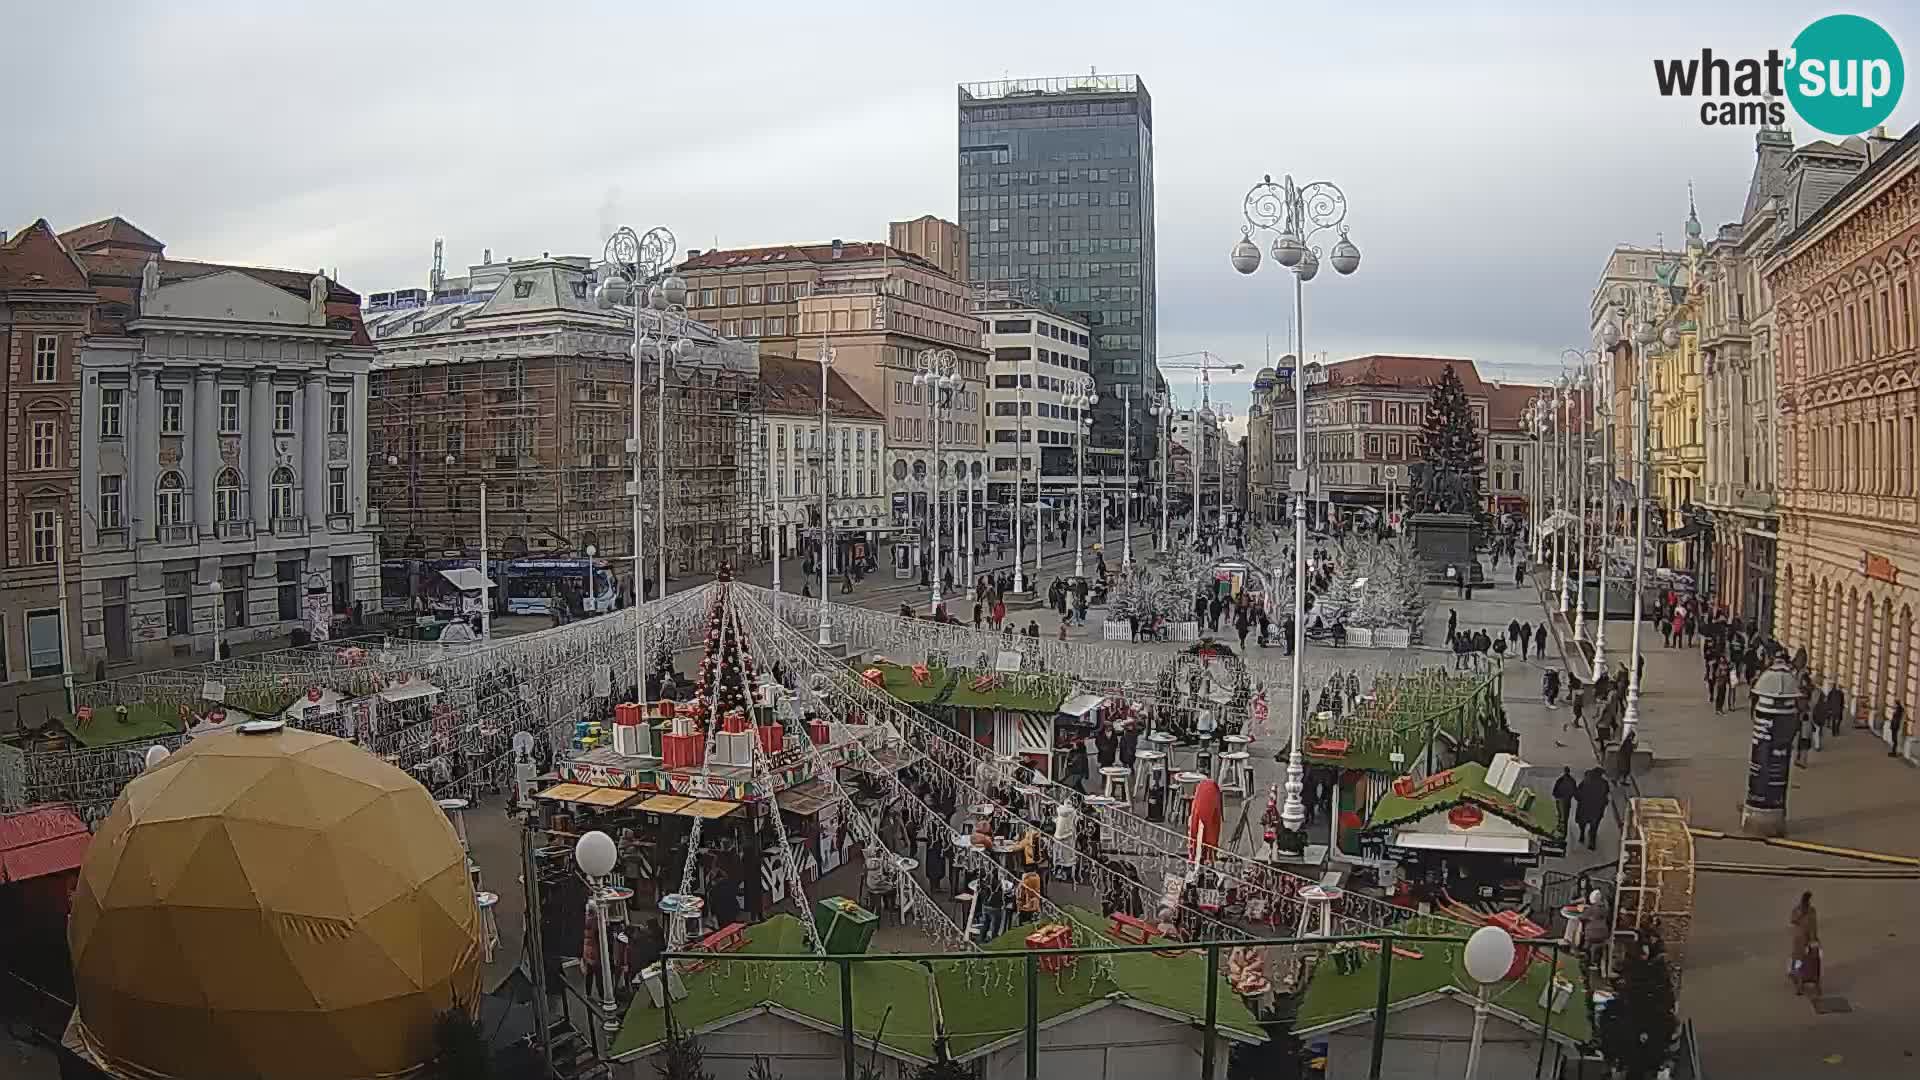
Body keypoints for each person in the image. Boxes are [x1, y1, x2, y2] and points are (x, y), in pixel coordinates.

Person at [1789, 891, 1821, 996]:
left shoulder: (1812, 911)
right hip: (1801, 941)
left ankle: (1816, 985)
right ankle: (1799, 985)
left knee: (1815, 962)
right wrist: (1801, 912)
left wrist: (1815, 939)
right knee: (1800, 962)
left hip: (1811, 940)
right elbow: (1793, 920)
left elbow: (1814, 925)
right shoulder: (1798, 910)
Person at [1573, 767, 1609, 850]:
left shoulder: (1585, 782)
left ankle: (1582, 834)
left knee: (1582, 823)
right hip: (1597, 809)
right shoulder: (1604, 783)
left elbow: (1577, 794)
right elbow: (1606, 795)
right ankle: (1592, 843)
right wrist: (1604, 803)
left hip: (1584, 808)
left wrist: (1581, 800)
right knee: (1594, 826)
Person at [1551, 767, 1578, 839]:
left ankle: (1561, 830)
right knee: (1565, 817)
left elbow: (1554, 791)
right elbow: (1574, 792)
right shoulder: (1572, 780)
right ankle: (1564, 833)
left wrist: (1556, 796)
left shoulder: (1560, 780)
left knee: (1561, 816)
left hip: (1560, 800)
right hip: (1567, 801)